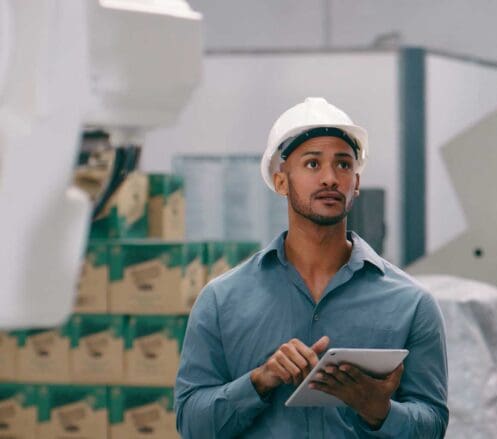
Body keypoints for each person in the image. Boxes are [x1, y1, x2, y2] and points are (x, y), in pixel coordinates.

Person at [175, 97, 448, 438]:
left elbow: (433, 425)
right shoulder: (221, 300)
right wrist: (260, 380)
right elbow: (191, 425)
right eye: (312, 164)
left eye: (344, 165)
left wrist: (379, 410)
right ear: (281, 182)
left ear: (357, 184)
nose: (331, 178)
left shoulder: (411, 304)